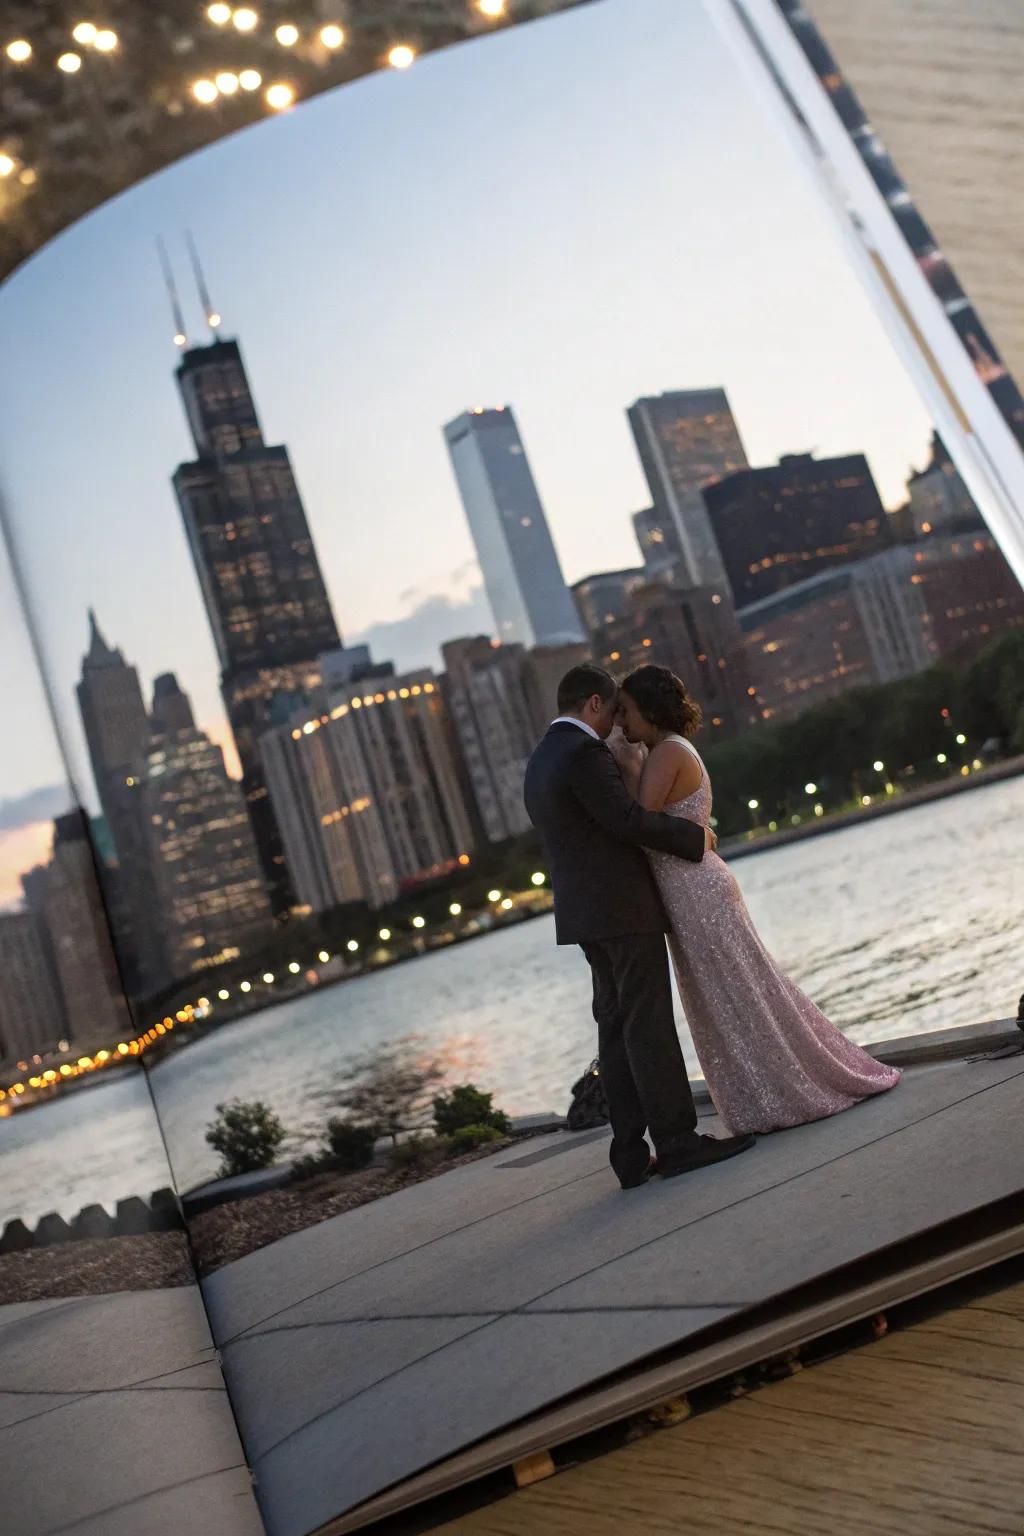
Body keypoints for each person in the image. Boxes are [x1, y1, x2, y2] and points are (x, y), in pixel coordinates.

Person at [612, 664, 901, 1134]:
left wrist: (623, 761)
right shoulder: (669, 749)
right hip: (694, 888)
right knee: (735, 993)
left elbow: (642, 823)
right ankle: (769, 1092)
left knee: (737, 994)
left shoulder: (666, 752)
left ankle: (782, 1093)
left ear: (649, 708)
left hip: (696, 892)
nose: (621, 721)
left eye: (625, 710)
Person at [523, 664, 755, 1189]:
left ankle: (629, 1155)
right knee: (647, 1027)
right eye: (612, 711)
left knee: (614, 1032)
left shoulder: (541, 760)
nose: (616, 725)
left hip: (584, 916)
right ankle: (677, 1143)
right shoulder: (583, 754)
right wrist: (696, 838)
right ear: (593, 704)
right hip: (623, 909)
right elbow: (627, 821)